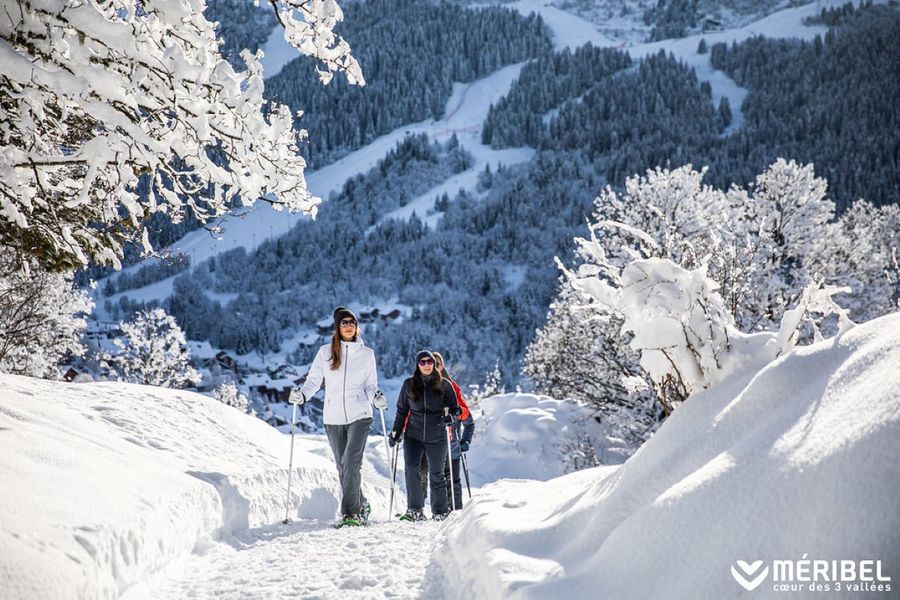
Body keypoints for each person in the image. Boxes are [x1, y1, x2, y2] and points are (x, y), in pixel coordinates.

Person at [290, 306, 387, 526]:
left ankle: (351, 513)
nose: (349, 326)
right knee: (342, 467)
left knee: (351, 463)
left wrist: (376, 398)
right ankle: (361, 502)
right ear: (337, 326)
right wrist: (302, 396)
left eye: (352, 322)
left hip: (360, 414)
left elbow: (371, 385)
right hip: (333, 417)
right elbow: (314, 381)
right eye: (344, 322)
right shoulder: (325, 352)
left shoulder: (366, 354)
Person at [388, 350, 459, 521]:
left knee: (437, 473)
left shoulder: (445, 385)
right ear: (417, 365)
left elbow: (455, 408)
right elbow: (402, 410)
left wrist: (451, 417)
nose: (427, 365)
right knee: (412, 469)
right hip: (414, 435)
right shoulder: (408, 384)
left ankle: (440, 511)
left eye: (430, 362)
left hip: (437, 436)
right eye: (423, 362)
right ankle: (415, 509)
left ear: (434, 364)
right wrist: (396, 431)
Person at [433, 352, 474, 510]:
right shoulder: (421, 386)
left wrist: (465, 441)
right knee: (437, 480)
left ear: (442, 366)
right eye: (432, 363)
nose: (434, 367)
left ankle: (456, 513)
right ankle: (440, 513)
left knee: (454, 481)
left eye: (438, 363)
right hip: (433, 443)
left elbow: (469, 421)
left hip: (452, 442)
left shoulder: (452, 386)